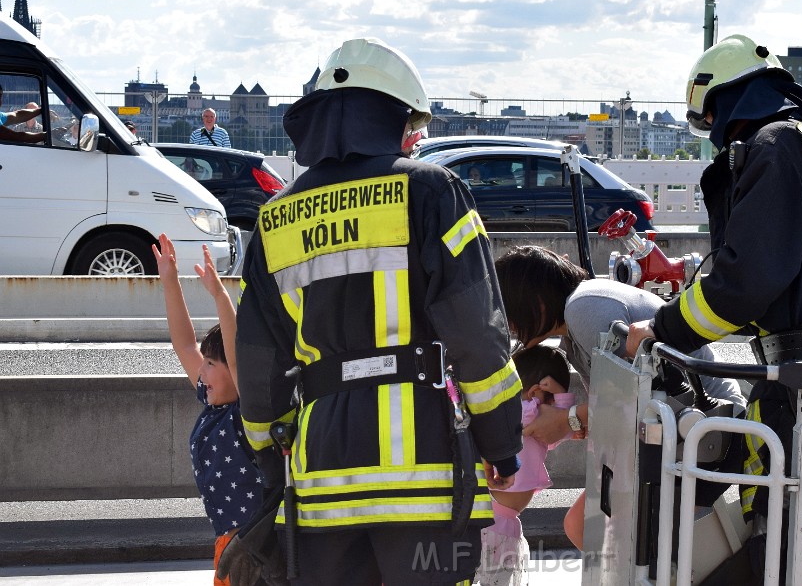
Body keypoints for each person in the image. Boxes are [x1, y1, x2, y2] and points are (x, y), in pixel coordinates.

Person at [228, 37, 523, 586]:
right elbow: (477, 335)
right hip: (424, 474)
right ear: (393, 117)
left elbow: (257, 362)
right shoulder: (433, 190)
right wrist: (501, 443)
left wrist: (270, 456)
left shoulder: (275, 219)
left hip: (321, 482)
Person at [625, 34, 802, 579]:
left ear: (731, 100)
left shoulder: (774, 146)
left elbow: (746, 285)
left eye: (711, 116)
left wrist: (659, 328)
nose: (714, 132)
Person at [494, 245, 745, 550]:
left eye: (510, 311)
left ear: (535, 299)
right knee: (586, 529)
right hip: (685, 431)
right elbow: (628, 404)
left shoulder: (582, 309)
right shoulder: (578, 318)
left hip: (707, 432)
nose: (510, 326)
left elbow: (636, 400)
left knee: (615, 542)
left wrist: (568, 419)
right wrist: (578, 421)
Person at [151, 233, 264, 586]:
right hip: (227, 539)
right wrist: (170, 281)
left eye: (212, 363)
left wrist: (220, 296)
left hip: (256, 542)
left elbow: (235, 353)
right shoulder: (214, 405)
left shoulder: (249, 410)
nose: (201, 370)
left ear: (234, 367)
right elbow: (183, 343)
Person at [476, 345, 575, 586]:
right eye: (551, 400)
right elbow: (564, 424)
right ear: (535, 393)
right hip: (495, 519)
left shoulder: (530, 424)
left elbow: (562, 431)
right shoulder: (525, 412)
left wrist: (560, 398)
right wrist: (562, 399)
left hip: (500, 518)